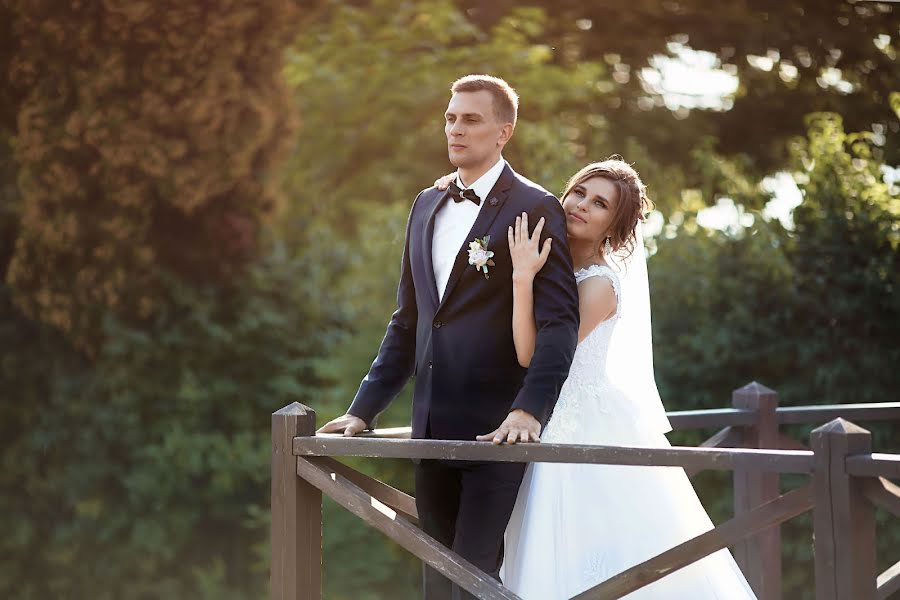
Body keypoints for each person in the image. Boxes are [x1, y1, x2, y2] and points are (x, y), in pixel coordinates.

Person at [437, 158, 758, 599]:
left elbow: (531, 354)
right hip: (537, 418)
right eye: (579, 193)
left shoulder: (600, 285)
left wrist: (522, 277)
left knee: (589, 551)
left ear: (614, 226)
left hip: (579, 424)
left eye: (600, 203)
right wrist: (453, 183)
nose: (582, 205)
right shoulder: (551, 260)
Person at [316, 74, 580, 599]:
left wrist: (529, 410)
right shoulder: (425, 205)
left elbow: (558, 324)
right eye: (451, 118)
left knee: (475, 578)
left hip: (497, 429)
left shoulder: (533, 206)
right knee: (437, 578)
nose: (456, 129)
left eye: (472, 120)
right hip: (430, 425)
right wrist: (363, 409)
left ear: (504, 132)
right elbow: (409, 320)